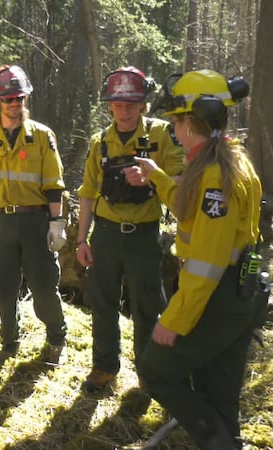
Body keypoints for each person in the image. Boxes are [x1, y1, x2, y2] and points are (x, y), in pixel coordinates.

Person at [136, 70, 258, 449]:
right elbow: (191, 211)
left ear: (191, 121)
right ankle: (225, 441)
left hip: (218, 297)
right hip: (240, 291)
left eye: (176, 120)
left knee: (156, 368)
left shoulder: (215, 175)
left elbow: (207, 262)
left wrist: (173, 321)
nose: (173, 128)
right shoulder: (220, 159)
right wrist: (158, 177)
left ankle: (217, 441)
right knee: (218, 390)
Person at [75, 66, 185, 392]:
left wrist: (155, 176)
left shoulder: (163, 135)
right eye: (118, 104)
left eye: (131, 104)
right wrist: (82, 238)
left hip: (144, 233)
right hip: (106, 234)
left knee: (148, 304)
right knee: (102, 301)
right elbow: (86, 194)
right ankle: (105, 366)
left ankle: (149, 372)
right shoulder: (100, 143)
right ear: (109, 104)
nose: (123, 111)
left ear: (142, 105)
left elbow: (183, 179)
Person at [0, 64, 68, 364]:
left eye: (19, 99)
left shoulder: (42, 136)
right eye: (8, 100)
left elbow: (54, 183)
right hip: (3, 223)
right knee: (5, 286)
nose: (14, 105)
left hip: (36, 220)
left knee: (43, 285)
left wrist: (57, 223)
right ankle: (9, 342)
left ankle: (56, 337)